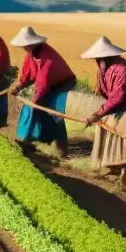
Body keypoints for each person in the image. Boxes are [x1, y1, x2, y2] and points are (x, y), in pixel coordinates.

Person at [81, 36, 126, 191]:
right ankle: (117, 172)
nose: (96, 60)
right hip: (119, 110)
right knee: (113, 140)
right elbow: (104, 91)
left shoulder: (121, 69)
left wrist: (98, 113)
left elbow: (118, 96)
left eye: (98, 57)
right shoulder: (104, 68)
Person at [9, 26, 76, 157]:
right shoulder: (32, 55)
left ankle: (62, 148)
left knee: (55, 111)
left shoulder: (46, 57)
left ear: (34, 42)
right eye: (24, 45)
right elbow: (27, 75)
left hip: (63, 83)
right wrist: (18, 86)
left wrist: (35, 101)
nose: (25, 48)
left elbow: (42, 84)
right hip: (49, 85)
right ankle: (33, 138)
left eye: (27, 45)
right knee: (34, 107)